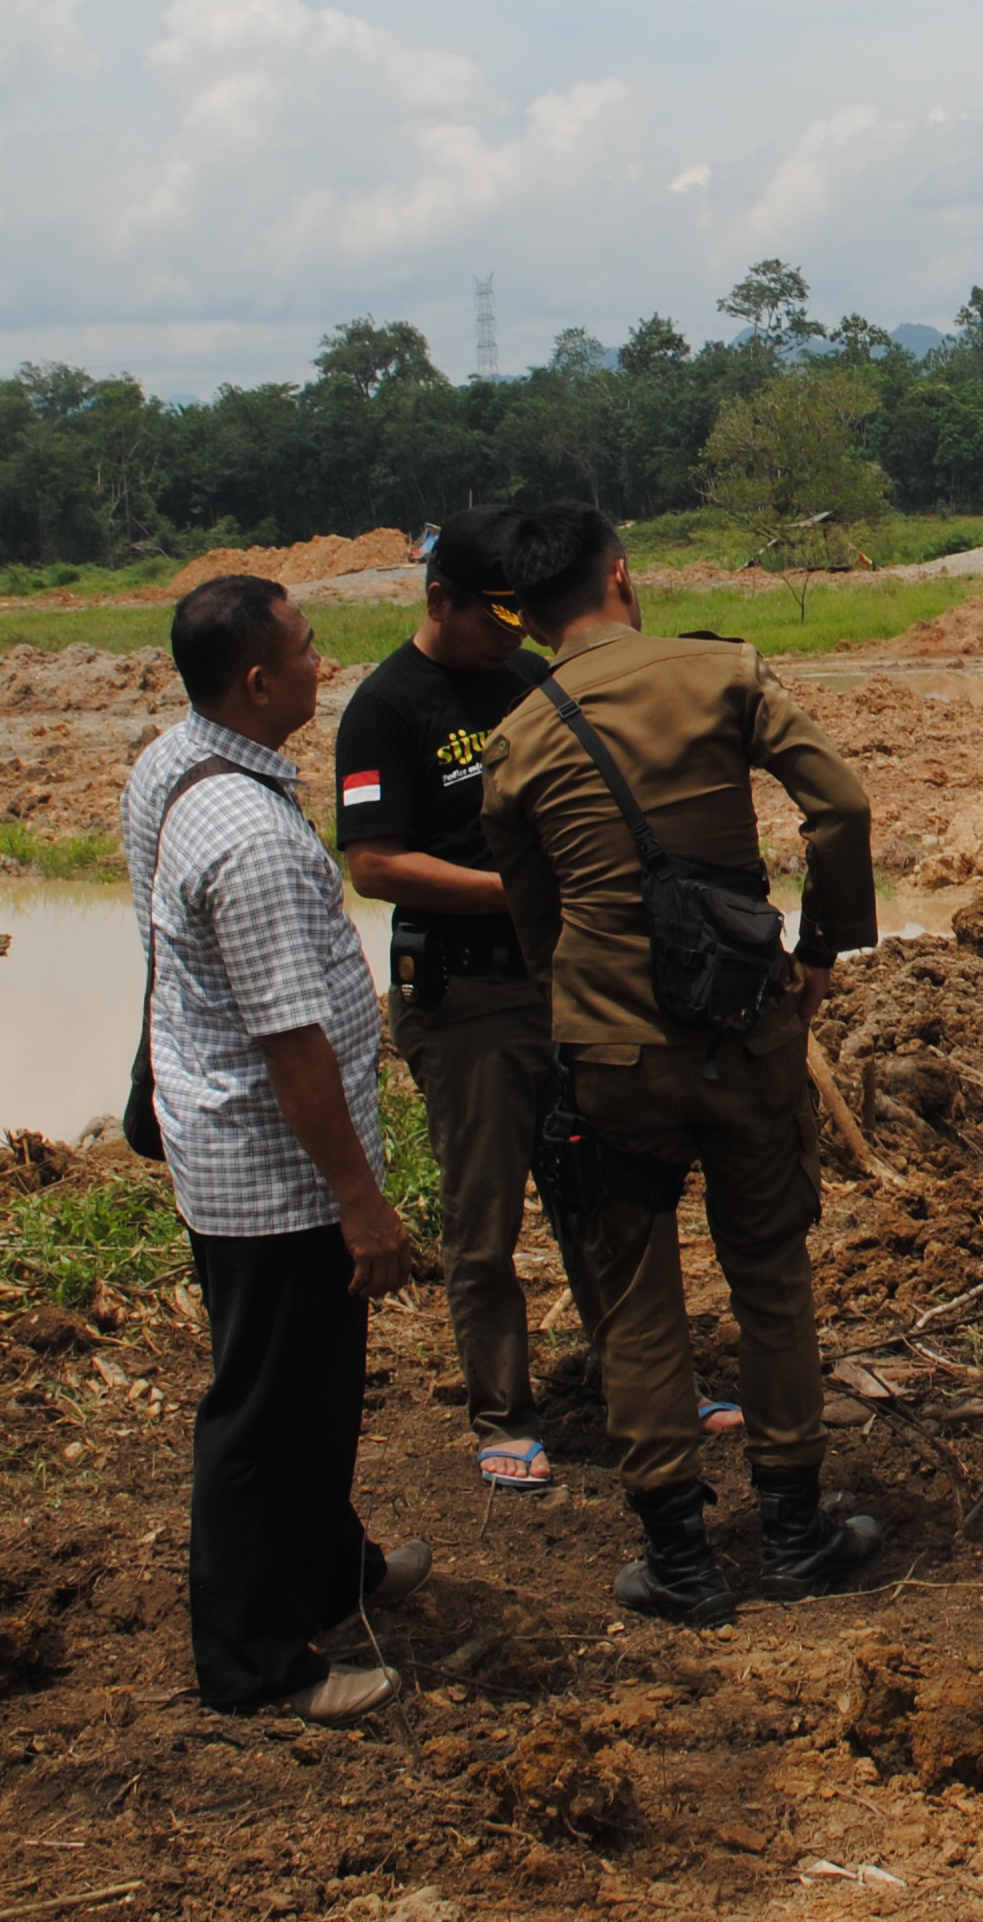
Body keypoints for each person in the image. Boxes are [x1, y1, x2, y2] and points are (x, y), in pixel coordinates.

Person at [479, 505, 887, 1627]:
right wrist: (817, 949)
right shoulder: (723, 676)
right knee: (770, 1280)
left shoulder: (515, 741)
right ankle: (797, 1536)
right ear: (621, 575)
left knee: (636, 1300)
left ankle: (681, 1559)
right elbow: (840, 803)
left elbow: (534, 925)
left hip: (609, 1056)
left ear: (523, 612)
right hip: (743, 1035)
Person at [126, 574, 430, 1722]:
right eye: (307, 649)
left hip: (232, 1145)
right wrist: (361, 1201)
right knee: (266, 1412)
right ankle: (252, 1660)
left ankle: (326, 1568)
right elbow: (290, 1042)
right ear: (256, 680)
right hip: (275, 1171)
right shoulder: (248, 837)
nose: (324, 662)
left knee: (311, 1390)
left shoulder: (175, 763)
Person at [336, 508, 572, 1491]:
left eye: (523, 619)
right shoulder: (387, 708)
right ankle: (501, 1411)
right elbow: (375, 862)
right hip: (466, 994)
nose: (511, 636)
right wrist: (517, 893)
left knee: (601, 1195)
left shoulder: (528, 678)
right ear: (440, 600)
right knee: (484, 1223)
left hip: (560, 981)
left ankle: (637, 1377)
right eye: (494, 619)